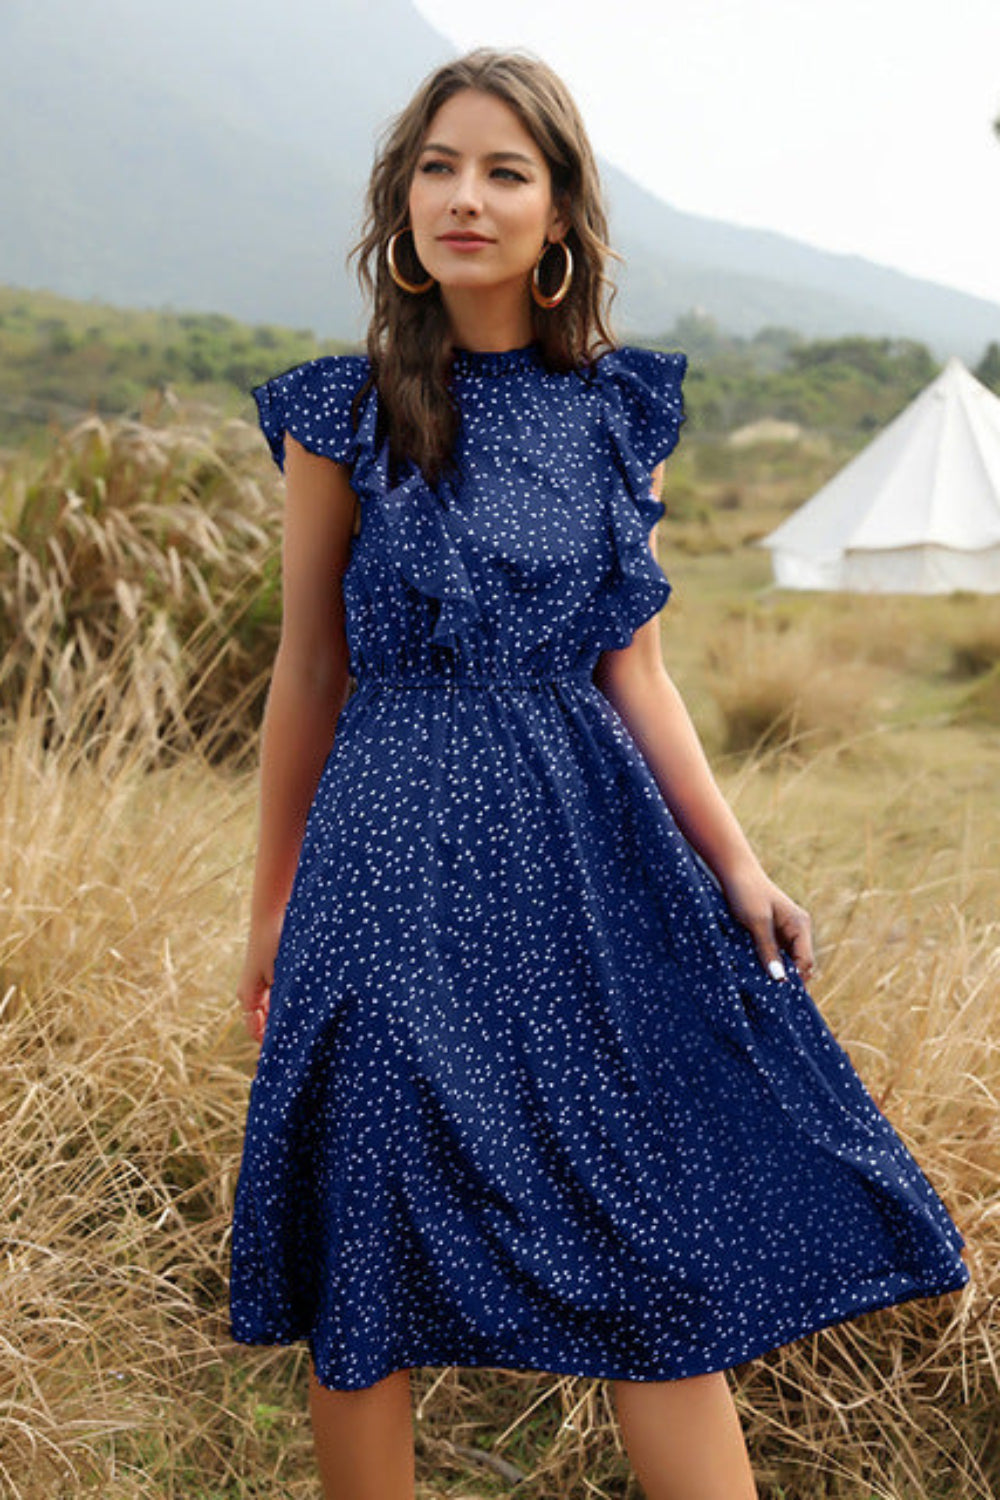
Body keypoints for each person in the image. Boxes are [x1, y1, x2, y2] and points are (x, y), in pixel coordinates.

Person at [229, 46, 970, 1500]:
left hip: (587, 851)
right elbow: (308, 675)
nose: (467, 195)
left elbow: (636, 666)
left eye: (507, 170)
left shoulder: (615, 413)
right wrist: (270, 905)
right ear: (400, 199)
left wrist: (738, 863)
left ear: (560, 215)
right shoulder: (343, 411)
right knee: (370, 1205)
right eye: (440, 165)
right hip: (387, 854)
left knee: (646, 1223)